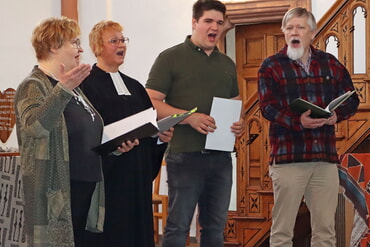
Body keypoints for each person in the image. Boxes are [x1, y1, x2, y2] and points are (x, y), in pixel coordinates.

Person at [257, 7, 359, 247]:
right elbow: (267, 107)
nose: (294, 32)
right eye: (289, 28)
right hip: (288, 159)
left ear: (312, 33)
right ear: (283, 31)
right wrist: (297, 122)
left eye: (300, 27)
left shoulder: (330, 64)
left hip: (324, 159)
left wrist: (337, 114)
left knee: (325, 231)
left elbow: (352, 98)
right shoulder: (271, 66)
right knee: (282, 232)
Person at [145, 0, 245, 246]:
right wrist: (189, 117)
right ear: (194, 23)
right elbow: (151, 101)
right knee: (178, 226)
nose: (215, 27)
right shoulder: (170, 58)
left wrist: (238, 125)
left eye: (219, 23)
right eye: (208, 21)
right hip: (185, 156)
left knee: (215, 228)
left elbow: (235, 102)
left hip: (221, 158)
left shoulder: (227, 64)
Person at [14, 16, 109, 247]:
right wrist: (63, 89)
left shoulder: (72, 88)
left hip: (83, 183)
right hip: (58, 189)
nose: (81, 48)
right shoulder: (34, 84)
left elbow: (86, 130)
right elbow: (35, 127)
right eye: (74, 42)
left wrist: (114, 146)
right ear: (55, 45)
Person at [80, 20, 173, 247]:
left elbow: (148, 126)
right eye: (114, 41)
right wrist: (114, 148)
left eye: (123, 40)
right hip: (110, 178)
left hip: (137, 176)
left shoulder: (135, 87)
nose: (121, 44)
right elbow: (85, 133)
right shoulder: (86, 85)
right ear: (97, 47)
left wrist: (160, 139)